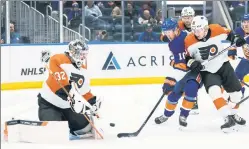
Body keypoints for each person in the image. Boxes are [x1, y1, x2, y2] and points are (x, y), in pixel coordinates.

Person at [185, 15, 246, 133]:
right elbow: (186, 57)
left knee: (237, 95)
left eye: (199, 30)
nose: (196, 33)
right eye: (194, 30)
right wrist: (193, 63)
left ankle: (233, 114)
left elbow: (230, 34)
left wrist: (236, 39)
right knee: (214, 92)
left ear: (206, 28)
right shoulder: (189, 40)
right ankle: (227, 119)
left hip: (223, 65)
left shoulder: (216, 29)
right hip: (207, 70)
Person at [37, 39, 102, 140]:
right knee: (55, 132)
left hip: (69, 107)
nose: (83, 57)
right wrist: (72, 97)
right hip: (49, 104)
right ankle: (58, 119)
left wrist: (92, 103)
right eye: (81, 54)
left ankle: (66, 120)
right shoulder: (58, 59)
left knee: (85, 128)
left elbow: (84, 92)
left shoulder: (83, 70)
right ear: (72, 52)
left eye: (85, 54)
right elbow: (60, 88)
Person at [154, 18, 202, 128]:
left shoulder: (186, 38)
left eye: (168, 31)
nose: (167, 35)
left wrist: (171, 75)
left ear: (176, 30)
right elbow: (180, 63)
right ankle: (166, 115)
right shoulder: (174, 39)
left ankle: (183, 116)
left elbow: (183, 64)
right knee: (172, 96)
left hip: (194, 71)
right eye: (165, 32)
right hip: (183, 70)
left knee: (190, 92)